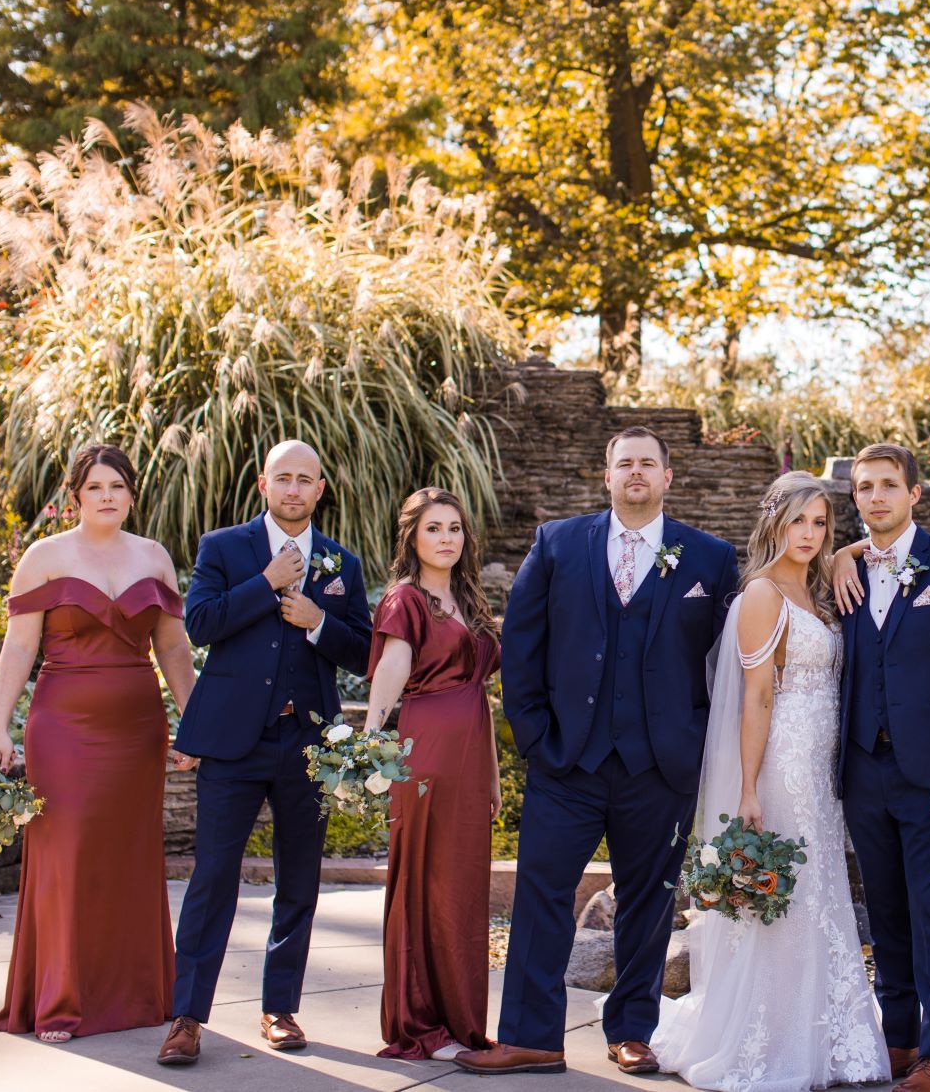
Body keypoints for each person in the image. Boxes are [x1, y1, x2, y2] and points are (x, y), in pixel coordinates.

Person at [458, 426, 739, 1078]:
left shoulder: (709, 558)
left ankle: (632, 1029)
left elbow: (729, 661)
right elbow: (522, 642)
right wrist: (533, 735)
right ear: (605, 475)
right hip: (567, 761)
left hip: (661, 767)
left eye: (647, 464)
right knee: (540, 896)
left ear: (669, 477)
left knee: (648, 902)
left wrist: (699, 746)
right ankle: (530, 1035)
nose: (635, 473)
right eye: (624, 464)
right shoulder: (558, 544)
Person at [648, 471, 890, 1091]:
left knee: (820, 891)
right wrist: (748, 788)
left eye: (820, 524)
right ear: (774, 522)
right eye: (798, 521)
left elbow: (882, 543)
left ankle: (823, 1032)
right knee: (783, 899)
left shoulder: (817, 587)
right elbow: (755, 699)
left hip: (821, 768)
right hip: (780, 762)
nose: (808, 534)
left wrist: (848, 550)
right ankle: (770, 1036)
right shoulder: (760, 594)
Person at [158, 440, 373, 1066]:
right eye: (284, 478)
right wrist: (266, 583)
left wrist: (317, 621)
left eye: (306, 480)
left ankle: (280, 1009)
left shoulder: (341, 562)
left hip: (308, 745)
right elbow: (200, 624)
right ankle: (188, 1016)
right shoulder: (222, 548)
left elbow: (362, 651)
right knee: (212, 878)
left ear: (321, 489)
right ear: (263, 484)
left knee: (299, 880)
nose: (294, 489)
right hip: (233, 743)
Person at [0, 444, 195, 1043]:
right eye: (95, 486)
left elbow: (174, 650)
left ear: (132, 493)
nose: (107, 496)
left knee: (130, 856)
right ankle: (61, 1000)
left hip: (137, 728)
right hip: (63, 726)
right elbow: (20, 648)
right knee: (67, 856)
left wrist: (197, 724)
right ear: (75, 495)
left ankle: (135, 994)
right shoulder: (44, 557)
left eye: (118, 486)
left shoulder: (154, 558)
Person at [829, 443, 930, 1092]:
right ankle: (897, 1044)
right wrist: (839, 553)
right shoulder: (843, 569)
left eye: (888, 486)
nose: (875, 497)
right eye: (864, 487)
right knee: (886, 914)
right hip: (861, 771)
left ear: (914, 494)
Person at [365, 488, 502, 1061]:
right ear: (413, 538)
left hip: (471, 752)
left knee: (464, 886)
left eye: (454, 529)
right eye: (434, 529)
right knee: (426, 882)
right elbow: (391, 670)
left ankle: (462, 1021)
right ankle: (421, 1023)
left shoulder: (469, 600)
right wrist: (370, 738)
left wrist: (492, 773)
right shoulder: (406, 599)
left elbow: (482, 694)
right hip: (427, 753)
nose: (447, 538)